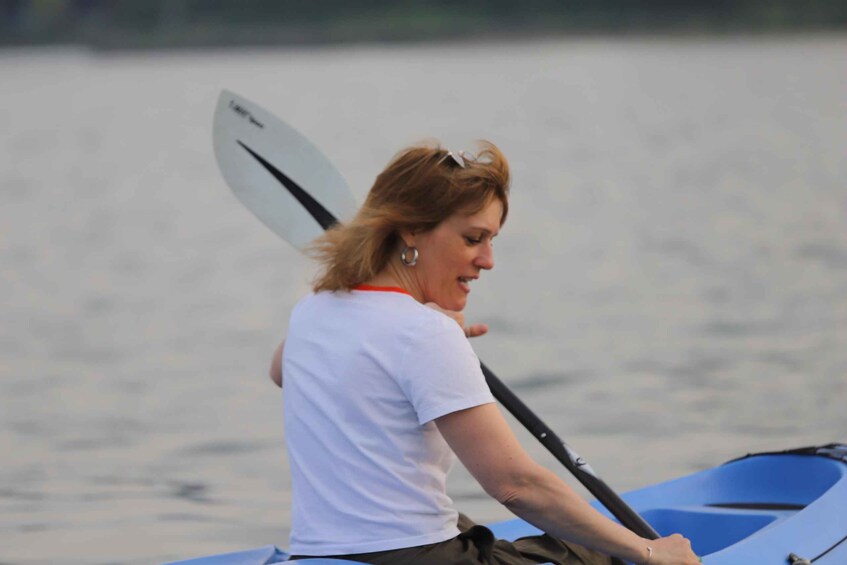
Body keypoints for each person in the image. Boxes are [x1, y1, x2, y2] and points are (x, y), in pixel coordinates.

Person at [269, 142, 699, 565]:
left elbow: (282, 370)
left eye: (491, 240)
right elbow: (516, 486)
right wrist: (649, 551)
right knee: (598, 555)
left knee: (463, 523)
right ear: (410, 229)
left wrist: (418, 357)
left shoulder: (312, 310)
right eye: (474, 238)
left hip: (317, 551)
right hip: (418, 558)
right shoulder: (424, 334)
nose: (488, 260)